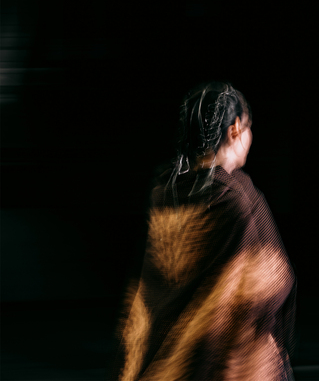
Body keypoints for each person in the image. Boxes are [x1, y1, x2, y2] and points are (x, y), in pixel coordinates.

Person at [115, 81, 297, 380]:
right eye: (249, 127)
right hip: (220, 361)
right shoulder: (235, 200)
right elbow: (270, 280)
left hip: (167, 358)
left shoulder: (165, 191)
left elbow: (152, 285)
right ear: (235, 129)